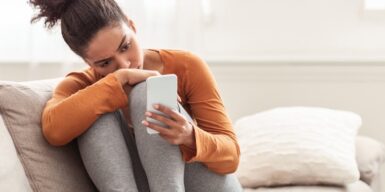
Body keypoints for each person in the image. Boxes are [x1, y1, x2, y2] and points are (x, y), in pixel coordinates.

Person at [29, 0, 242, 191]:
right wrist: (119, 79)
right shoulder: (83, 83)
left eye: (125, 46)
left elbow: (231, 157)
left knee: (146, 91)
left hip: (207, 184)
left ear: (132, 27)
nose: (124, 63)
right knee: (92, 106)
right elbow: (53, 130)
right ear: (88, 63)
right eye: (105, 63)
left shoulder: (186, 65)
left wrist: (189, 136)